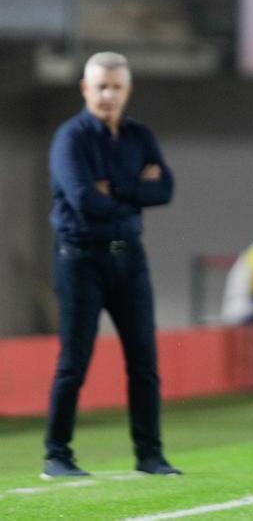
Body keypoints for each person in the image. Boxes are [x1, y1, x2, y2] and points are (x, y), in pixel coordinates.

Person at [43, 52, 181, 479]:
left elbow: (166, 190)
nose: (108, 95)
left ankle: (150, 455)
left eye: (116, 87)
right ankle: (57, 454)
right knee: (74, 361)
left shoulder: (139, 135)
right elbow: (85, 201)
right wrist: (136, 188)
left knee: (144, 361)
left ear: (127, 90)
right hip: (81, 259)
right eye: (100, 86)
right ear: (85, 89)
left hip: (130, 259)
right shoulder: (71, 138)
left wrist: (116, 188)